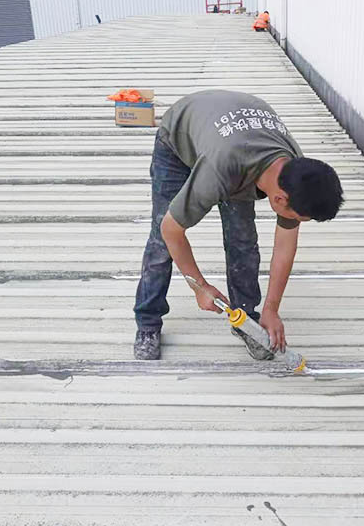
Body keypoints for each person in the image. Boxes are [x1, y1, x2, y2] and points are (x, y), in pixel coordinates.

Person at [133, 90, 343, 360]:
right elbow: (171, 230)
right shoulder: (221, 169)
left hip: (233, 145)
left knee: (243, 242)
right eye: (299, 218)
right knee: (161, 241)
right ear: (279, 200)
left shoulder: (297, 172)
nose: (296, 223)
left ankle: (246, 321)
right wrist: (199, 287)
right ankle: (148, 323)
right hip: (179, 136)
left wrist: (272, 309)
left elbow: (284, 247)